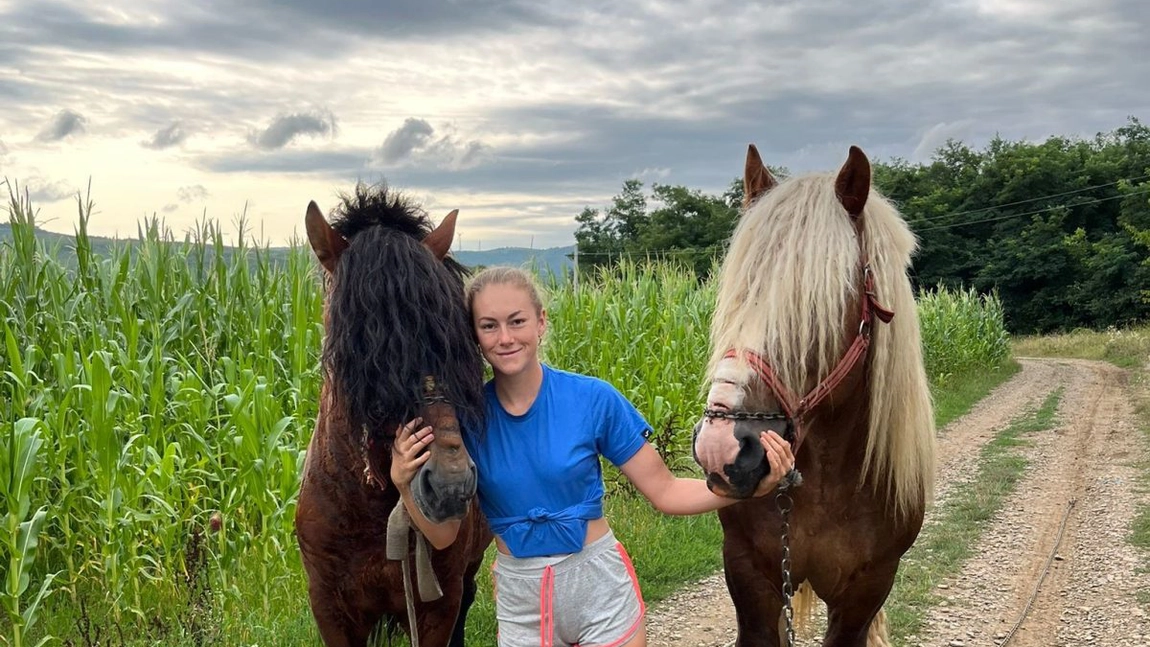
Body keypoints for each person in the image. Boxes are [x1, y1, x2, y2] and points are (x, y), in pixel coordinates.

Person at [391, 266, 795, 647]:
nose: (505, 338)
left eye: (517, 321)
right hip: (521, 599)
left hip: (599, 586)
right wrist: (404, 484)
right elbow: (444, 536)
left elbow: (666, 491)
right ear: (475, 336)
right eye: (489, 326)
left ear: (541, 322)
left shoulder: (593, 399)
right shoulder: (469, 420)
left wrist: (750, 489)